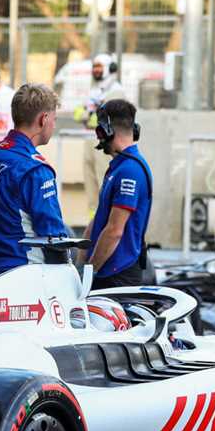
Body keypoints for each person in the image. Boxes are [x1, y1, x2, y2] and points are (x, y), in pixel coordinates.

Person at [0, 83, 69, 283]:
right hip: (25, 279)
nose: (54, 126)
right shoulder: (35, 169)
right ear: (43, 119)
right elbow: (53, 236)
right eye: (54, 119)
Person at [77, 100, 151, 289]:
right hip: (106, 270)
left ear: (106, 131)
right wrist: (80, 263)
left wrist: (89, 270)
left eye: (99, 131)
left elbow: (114, 231)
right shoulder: (118, 167)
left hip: (117, 275)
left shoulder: (129, 171)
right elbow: (99, 219)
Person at [74, 54, 126, 213]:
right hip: (89, 138)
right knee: (91, 187)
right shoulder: (94, 91)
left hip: (105, 141)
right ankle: (94, 227)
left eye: (99, 67)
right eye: (94, 67)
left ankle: (106, 225)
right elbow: (77, 114)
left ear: (110, 69)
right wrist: (90, 114)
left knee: (105, 183)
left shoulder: (117, 91)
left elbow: (102, 118)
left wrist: (89, 114)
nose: (95, 70)